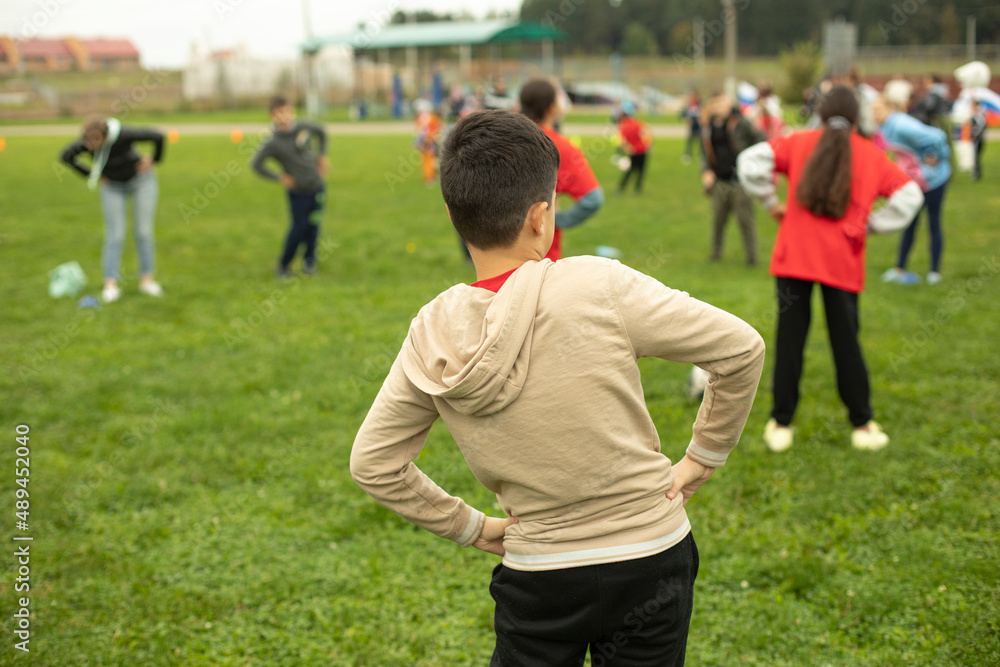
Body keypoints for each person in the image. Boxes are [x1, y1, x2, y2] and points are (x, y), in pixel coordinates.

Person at [351, 109, 766, 666]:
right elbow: (741, 348)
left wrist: (472, 528)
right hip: (650, 560)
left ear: (453, 214)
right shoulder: (599, 283)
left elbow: (373, 463)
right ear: (542, 217)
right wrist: (703, 457)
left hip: (539, 577)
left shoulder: (433, 330)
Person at [738, 85, 924, 453]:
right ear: (858, 118)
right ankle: (862, 424)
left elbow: (749, 162)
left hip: (794, 259)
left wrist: (771, 202)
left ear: (820, 113)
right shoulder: (871, 155)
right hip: (842, 262)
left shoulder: (797, 142)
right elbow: (910, 194)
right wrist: (871, 225)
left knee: (790, 341)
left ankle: (781, 423)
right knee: (846, 343)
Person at [60, 116, 165, 303]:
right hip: (112, 186)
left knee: (143, 232)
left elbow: (158, 136)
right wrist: (92, 175)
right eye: (88, 143)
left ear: (106, 137)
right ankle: (110, 285)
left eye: (96, 143)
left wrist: (154, 159)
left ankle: (147, 281)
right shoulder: (87, 142)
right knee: (115, 235)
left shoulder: (124, 134)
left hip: (141, 181)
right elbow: (66, 156)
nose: (91, 147)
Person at [519, 79, 604, 261]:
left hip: (494, 257)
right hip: (541, 255)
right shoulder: (560, 147)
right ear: (552, 109)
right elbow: (592, 199)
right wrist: (558, 221)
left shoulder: (499, 141)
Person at [871, 95, 952, 286]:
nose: (874, 114)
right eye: (872, 110)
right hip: (914, 181)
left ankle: (934, 273)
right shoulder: (884, 127)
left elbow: (937, 136)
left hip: (934, 181)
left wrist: (937, 156)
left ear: (891, 108)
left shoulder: (900, 125)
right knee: (909, 223)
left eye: (878, 110)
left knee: (933, 223)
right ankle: (900, 269)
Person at [251, 95, 330, 278]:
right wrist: (279, 177)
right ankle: (284, 266)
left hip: (317, 186)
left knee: (314, 226)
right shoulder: (273, 142)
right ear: (272, 116)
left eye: (287, 111)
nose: (284, 116)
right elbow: (256, 165)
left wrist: (322, 156)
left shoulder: (304, 127)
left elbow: (322, 132)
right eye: (279, 113)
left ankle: (309, 263)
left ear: (292, 111)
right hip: (298, 192)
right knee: (298, 228)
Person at [700, 93, 765, 265]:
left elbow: (761, 140)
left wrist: (751, 165)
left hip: (740, 180)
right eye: (717, 103)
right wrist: (706, 170)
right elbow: (705, 151)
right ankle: (715, 253)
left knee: (745, 219)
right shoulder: (708, 126)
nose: (720, 106)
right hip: (719, 180)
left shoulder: (740, 122)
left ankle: (752, 257)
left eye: (723, 102)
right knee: (718, 219)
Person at [617, 101, 652, 194]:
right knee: (641, 171)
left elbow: (622, 141)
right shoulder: (638, 123)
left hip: (633, 151)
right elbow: (647, 134)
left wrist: (627, 148)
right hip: (642, 150)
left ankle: (621, 188)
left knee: (629, 172)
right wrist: (648, 145)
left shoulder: (623, 125)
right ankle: (637, 189)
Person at [413, 99, 443, 186]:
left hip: (423, 142)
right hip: (429, 141)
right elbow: (438, 128)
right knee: (430, 159)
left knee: (426, 159)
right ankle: (430, 178)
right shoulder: (432, 117)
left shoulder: (419, 118)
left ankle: (429, 177)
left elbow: (418, 131)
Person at [681, 88, 702, 164]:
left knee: (700, 140)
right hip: (692, 123)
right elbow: (684, 114)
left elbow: (702, 112)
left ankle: (701, 155)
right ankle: (688, 154)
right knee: (690, 140)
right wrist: (687, 120)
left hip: (698, 123)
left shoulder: (699, 102)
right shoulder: (689, 104)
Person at [969, 98, 988, 181]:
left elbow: (981, 126)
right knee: (975, 156)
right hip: (978, 138)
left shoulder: (979, 115)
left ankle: (976, 174)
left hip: (978, 138)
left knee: (976, 156)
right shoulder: (977, 114)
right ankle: (976, 173)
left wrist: (975, 133)